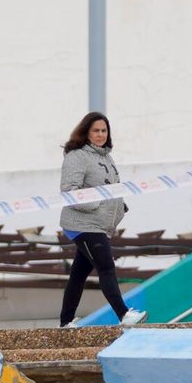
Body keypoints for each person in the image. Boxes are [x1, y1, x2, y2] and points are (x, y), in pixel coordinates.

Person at [58, 111, 146, 327]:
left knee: (78, 275)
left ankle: (65, 322)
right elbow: (69, 190)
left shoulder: (106, 157)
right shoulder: (77, 156)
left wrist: (119, 207)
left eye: (104, 130)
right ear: (86, 133)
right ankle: (124, 315)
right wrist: (97, 205)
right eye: (95, 130)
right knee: (106, 267)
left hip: (100, 225)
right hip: (83, 224)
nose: (100, 134)